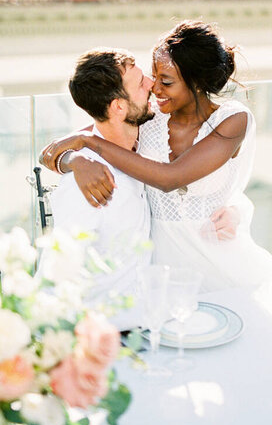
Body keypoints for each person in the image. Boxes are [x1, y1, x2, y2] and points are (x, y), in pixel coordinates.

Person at [39, 45, 238, 324]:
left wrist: (230, 207)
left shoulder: (147, 135)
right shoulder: (88, 184)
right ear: (119, 107)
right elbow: (56, 276)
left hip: (147, 315)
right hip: (102, 331)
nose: (153, 85)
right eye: (142, 82)